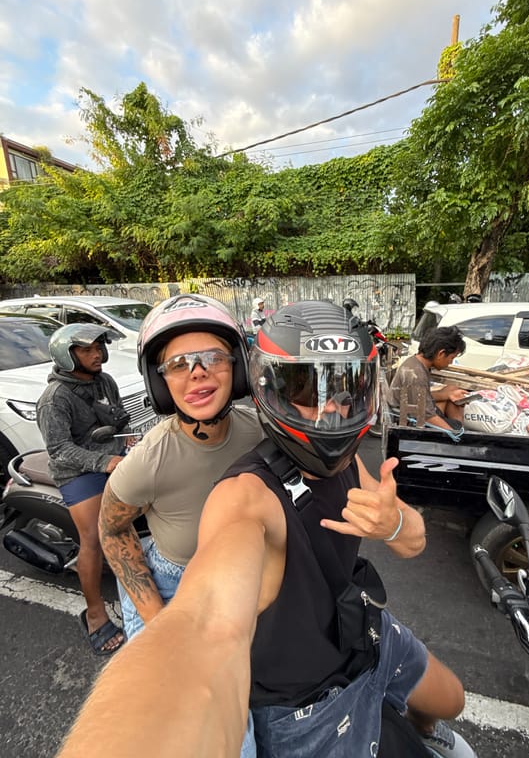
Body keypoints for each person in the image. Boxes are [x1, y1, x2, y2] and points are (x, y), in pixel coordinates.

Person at [57, 300, 474, 758]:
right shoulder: (179, 472)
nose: (329, 410)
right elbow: (208, 620)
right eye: (305, 389)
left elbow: (412, 538)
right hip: (186, 579)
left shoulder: (272, 432)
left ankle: (424, 729)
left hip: (354, 622)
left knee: (452, 699)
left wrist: (395, 523)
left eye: (345, 389)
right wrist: (160, 622)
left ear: (239, 372)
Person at [98, 294, 264, 641]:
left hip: (249, 575)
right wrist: (158, 622)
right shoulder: (149, 458)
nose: (198, 371)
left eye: (213, 357)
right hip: (176, 586)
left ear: (238, 369)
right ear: (161, 385)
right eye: (178, 364)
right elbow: (112, 530)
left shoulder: (260, 432)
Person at [36, 323, 131, 655]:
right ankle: (94, 614)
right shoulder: (55, 399)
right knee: (93, 539)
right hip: (76, 471)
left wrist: (128, 436)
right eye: (87, 350)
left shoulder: (104, 381)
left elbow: (119, 418)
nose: (97, 355)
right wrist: (103, 463)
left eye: (98, 348)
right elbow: (59, 450)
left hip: (113, 459)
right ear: (67, 354)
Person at [387, 325, 470, 431]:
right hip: (411, 422)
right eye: (451, 358)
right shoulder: (416, 375)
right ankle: (459, 432)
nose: (451, 363)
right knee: (456, 427)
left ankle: (458, 427)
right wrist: (455, 434)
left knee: (452, 390)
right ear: (441, 353)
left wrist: (449, 394)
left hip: (412, 411)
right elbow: (427, 417)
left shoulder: (417, 362)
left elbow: (421, 396)